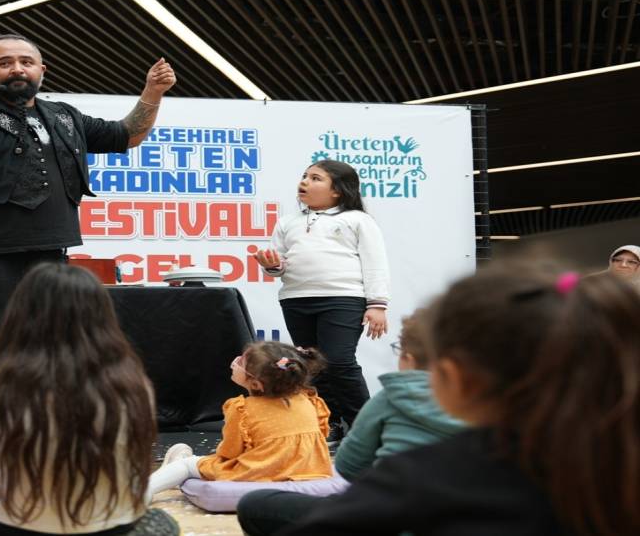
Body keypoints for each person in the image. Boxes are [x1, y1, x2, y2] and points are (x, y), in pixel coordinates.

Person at [237, 265, 640, 536]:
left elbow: (346, 477)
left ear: (453, 378)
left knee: (260, 506)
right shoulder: (613, 456)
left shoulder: (427, 473)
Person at [0, 33, 176, 414]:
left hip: (49, 250)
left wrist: (153, 92)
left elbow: (127, 135)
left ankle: (38, 430)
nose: (17, 68)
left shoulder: (64, 115)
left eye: (26, 61)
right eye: (4, 63)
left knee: (46, 346)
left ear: (41, 70)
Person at [0, 263, 178, 535]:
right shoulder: (135, 386)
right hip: (110, 528)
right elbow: (137, 472)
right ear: (104, 319)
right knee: (162, 523)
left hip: (9, 527)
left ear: (19, 316)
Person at [252, 159, 390, 443]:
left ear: (337, 190)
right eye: (305, 176)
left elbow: (375, 263)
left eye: (316, 178)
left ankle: (367, 429)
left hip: (343, 298)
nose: (305, 181)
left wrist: (377, 304)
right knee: (312, 365)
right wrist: (272, 265)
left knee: (339, 361)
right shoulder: (287, 222)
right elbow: (279, 265)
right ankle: (330, 423)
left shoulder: (357, 220)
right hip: (296, 299)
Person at [147, 341, 332, 496]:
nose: (235, 363)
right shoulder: (310, 400)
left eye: (241, 362)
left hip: (261, 472)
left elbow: (229, 452)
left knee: (187, 465)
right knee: (200, 461)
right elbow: (321, 434)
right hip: (308, 468)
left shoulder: (243, 408)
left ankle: (142, 494)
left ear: (256, 384)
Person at [333, 307, 466, 481]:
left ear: (409, 359)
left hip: (391, 492)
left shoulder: (390, 397)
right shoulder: (489, 406)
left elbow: (347, 464)